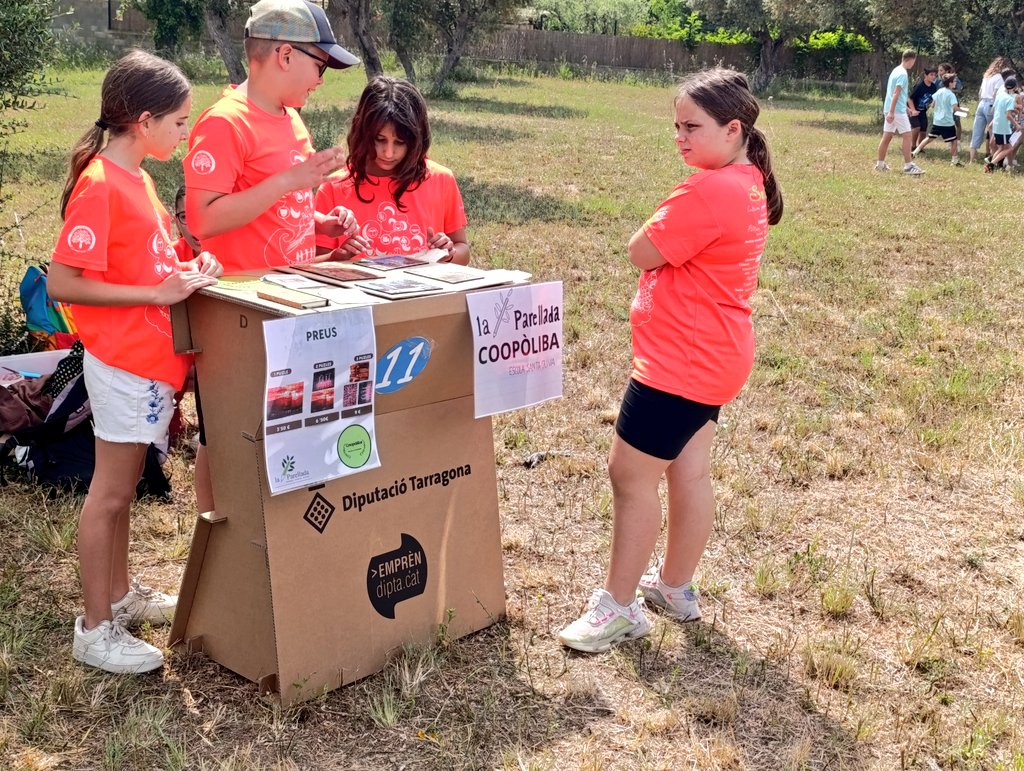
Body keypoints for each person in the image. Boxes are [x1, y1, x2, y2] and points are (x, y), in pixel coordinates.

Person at [557, 68, 783, 653]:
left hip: (681, 360)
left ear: (733, 129)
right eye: (675, 126)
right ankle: (676, 587)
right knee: (689, 471)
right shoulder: (748, 180)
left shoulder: (709, 190)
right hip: (715, 353)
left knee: (629, 477)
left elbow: (641, 249)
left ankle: (619, 607)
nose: (679, 138)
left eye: (692, 127)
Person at [46, 50, 222, 674]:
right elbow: (62, 282)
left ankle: (120, 596)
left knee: (121, 492)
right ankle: (95, 629)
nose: (185, 132)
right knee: (112, 494)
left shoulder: (140, 177)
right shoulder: (99, 183)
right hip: (121, 361)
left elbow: (150, 259)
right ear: (142, 122)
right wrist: (156, 293)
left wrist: (186, 268)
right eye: (179, 122)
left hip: (148, 361)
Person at [183, 0, 360, 521]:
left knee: (284, 426)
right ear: (284, 54)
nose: (321, 80)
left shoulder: (291, 119)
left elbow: (276, 206)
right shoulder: (225, 123)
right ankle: (220, 536)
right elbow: (205, 220)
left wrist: (318, 225)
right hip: (238, 310)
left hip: (289, 304)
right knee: (227, 430)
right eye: (319, 65)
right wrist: (290, 182)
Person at [314, 76, 469, 265]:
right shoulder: (334, 188)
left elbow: (463, 250)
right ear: (362, 132)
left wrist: (449, 253)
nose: (388, 153)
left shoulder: (441, 180)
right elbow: (317, 264)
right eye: (380, 139)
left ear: (417, 139)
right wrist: (337, 257)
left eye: (400, 142)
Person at [876, 49, 925, 175]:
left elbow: (899, 95)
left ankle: (880, 164)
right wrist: (893, 112)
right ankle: (908, 166)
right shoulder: (903, 74)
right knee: (908, 136)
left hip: (892, 109)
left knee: (887, 136)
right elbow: (896, 93)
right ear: (912, 60)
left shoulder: (895, 70)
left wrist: (906, 109)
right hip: (895, 111)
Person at [913, 74, 963, 165]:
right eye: (954, 81)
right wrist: (964, 111)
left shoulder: (939, 91)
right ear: (950, 83)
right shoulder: (951, 95)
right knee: (954, 141)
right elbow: (955, 108)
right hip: (947, 122)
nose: (955, 83)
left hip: (937, 121)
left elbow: (932, 105)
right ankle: (954, 160)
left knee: (929, 138)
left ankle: (915, 152)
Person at [970, 57, 1012, 164]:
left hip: (981, 103)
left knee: (977, 131)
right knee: (994, 134)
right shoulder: (999, 78)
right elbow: (995, 94)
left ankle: (972, 159)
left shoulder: (986, 76)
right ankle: (994, 160)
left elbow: (980, 92)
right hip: (990, 104)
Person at [985, 76, 1020, 172]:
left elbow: (994, 110)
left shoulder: (999, 96)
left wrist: (1012, 110)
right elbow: (1008, 116)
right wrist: (1016, 125)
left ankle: (990, 165)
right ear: (1015, 87)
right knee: (1009, 148)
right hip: (1004, 127)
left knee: (1001, 148)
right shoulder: (1010, 99)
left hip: (996, 125)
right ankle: (991, 164)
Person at [909, 66, 939, 151]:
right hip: (912, 110)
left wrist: (935, 104)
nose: (933, 77)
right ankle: (913, 146)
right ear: (926, 76)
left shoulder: (933, 87)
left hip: (922, 111)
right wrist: (913, 110)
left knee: (923, 130)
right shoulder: (919, 86)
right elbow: (910, 99)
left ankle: (919, 148)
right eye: (931, 75)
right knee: (916, 127)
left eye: (935, 75)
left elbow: (934, 99)